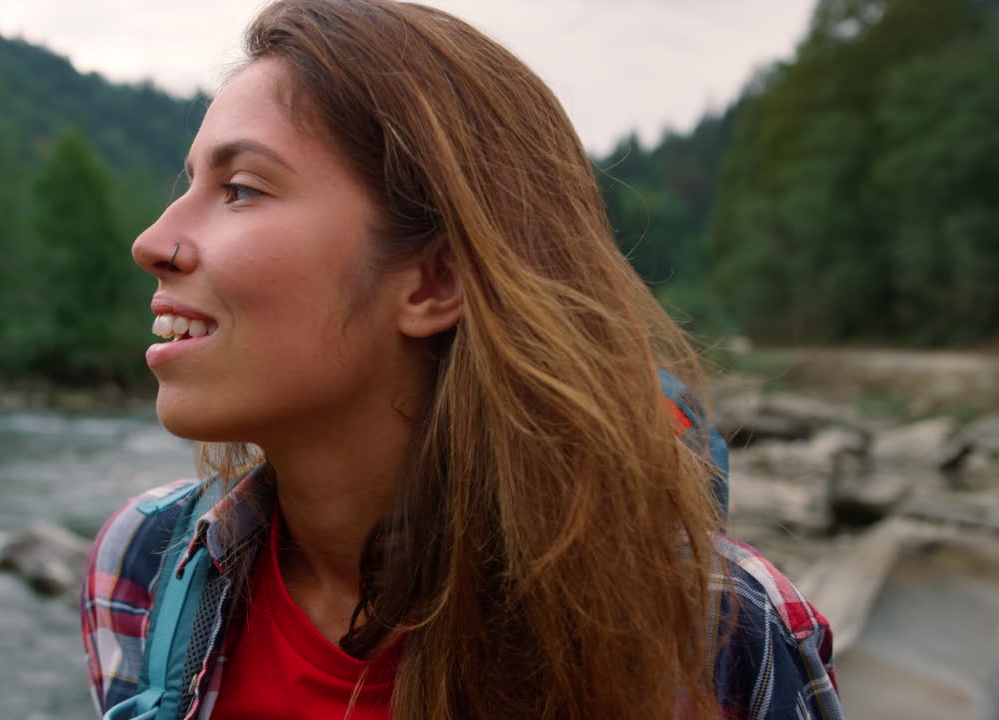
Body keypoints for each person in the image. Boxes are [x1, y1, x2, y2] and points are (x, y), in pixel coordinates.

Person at [81, 1, 843, 718]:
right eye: (190, 184)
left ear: (434, 279)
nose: (153, 242)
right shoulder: (144, 565)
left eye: (241, 189)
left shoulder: (716, 632)